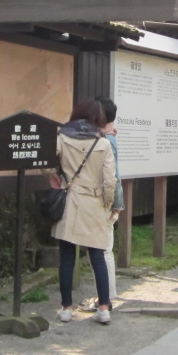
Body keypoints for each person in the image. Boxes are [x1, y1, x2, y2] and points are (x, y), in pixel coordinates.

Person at [49, 98, 117, 324]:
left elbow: (46, 161)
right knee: (97, 255)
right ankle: (104, 308)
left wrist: (54, 177)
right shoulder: (103, 143)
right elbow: (110, 181)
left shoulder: (62, 137)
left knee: (67, 256)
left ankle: (66, 309)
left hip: (69, 200)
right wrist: (107, 204)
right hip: (94, 202)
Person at [98, 97, 124, 307]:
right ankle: (107, 295)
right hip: (109, 201)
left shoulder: (108, 141)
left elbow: (114, 177)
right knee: (105, 249)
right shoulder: (108, 137)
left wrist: (116, 205)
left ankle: (106, 297)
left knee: (104, 250)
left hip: (107, 203)